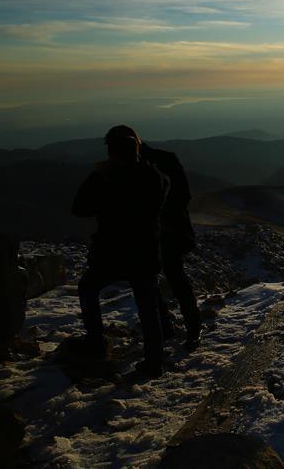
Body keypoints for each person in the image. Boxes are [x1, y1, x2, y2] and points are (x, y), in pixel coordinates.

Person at [72, 126, 169, 377]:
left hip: (111, 253)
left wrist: (96, 175)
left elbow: (80, 208)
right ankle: (154, 361)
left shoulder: (107, 179)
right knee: (147, 305)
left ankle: (96, 344)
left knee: (88, 289)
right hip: (144, 251)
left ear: (112, 152)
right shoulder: (155, 177)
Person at [106, 126, 202, 350]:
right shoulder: (156, 160)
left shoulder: (154, 163)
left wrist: (160, 220)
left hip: (164, 232)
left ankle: (187, 328)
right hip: (154, 233)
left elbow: (181, 195)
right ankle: (174, 327)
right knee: (164, 279)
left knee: (171, 278)